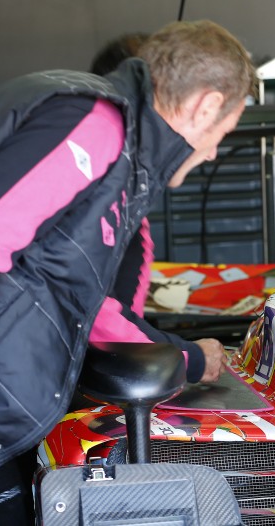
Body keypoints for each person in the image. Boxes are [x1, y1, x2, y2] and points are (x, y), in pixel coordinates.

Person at [0, 19, 256, 523]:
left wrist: (184, 360)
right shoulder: (97, 123)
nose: (214, 151)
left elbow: (89, 307)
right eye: (224, 131)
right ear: (205, 107)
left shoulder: (121, 155)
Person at [87, 31, 229, 396]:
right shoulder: (104, 187)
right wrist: (190, 357)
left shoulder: (121, 184)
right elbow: (94, 314)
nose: (213, 151)